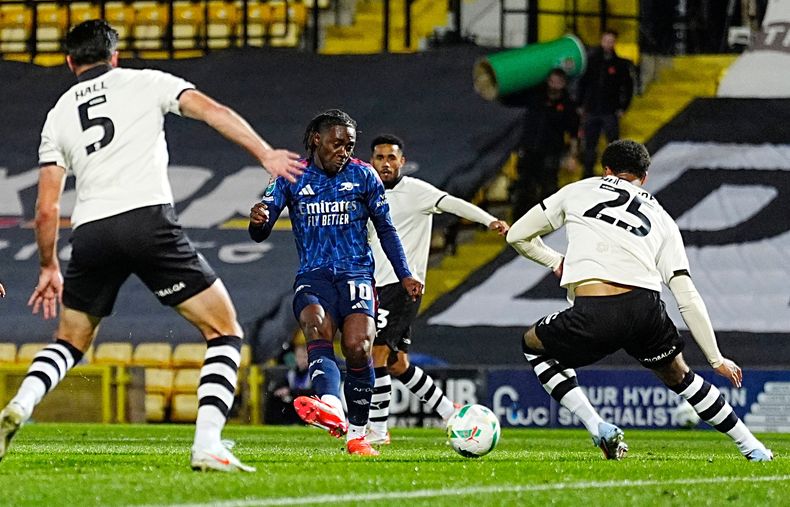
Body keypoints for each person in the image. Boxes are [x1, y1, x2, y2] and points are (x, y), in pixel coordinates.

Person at [0, 20, 304, 473]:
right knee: (225, 331)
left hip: (91, 232)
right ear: (114, 55)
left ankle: (21, 405)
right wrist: (264, 153)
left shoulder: (59, 112)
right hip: (147, 220)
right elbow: (212, 110)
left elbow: (46, 209)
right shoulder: (147, 82)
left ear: (70, 62)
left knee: (69, 341)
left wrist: (48, 266)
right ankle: (207, 443)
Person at [505, 139, 772, 461]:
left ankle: (597, 426)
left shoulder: (578, 190)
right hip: (647, 310)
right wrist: (716, 359)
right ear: (644, 177)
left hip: (595, 309)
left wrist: (554, 260)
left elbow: (516, 235)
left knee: (533, 345)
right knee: (682, 377)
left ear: (606, 170)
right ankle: (753, 447)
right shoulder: (662, 218)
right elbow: (685, 292)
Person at [248, 110, 423, 456]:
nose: (344, 150)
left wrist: (405, 272)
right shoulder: (290, 175)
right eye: (337, 143)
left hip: (356, 274)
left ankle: (356, 434)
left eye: (350, 145)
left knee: (358, 348)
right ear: (316, 139)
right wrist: (259, 220)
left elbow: (386, 229)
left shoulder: (363, 175)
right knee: (315, 325)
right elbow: (260, 230)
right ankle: (331, 404)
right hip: (314, 276)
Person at [365, 134, 509, 444]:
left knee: (376, 352)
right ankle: (448, 411)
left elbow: (453, 203)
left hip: (402, 286)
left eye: (392, 158)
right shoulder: (366, 193)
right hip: (374, 285)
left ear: (402, 162)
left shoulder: (416, 191)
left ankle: (376, 432)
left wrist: (489, 220)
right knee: (397, 362)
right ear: (372, 161)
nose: (386, 163)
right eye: (380, 158)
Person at [501, 68, 579, 219]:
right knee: (524, 188)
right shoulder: (536, 97)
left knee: (548, 191)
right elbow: (509, 99)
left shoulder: (568, 105)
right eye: (552, 81)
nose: (555, 85)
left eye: (559, 82)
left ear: (564, 84)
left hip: (551, 152)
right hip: (529, 150)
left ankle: (548, 225)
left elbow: (574, 133)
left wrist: (572, 155)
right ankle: (518, 224)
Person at [577, 30, 634, 178]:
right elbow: (582, 84)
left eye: (611, 41)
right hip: (592, 109)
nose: (608, 44)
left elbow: (628, 87)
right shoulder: (591, 62)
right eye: (605, 41)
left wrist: (623, 107)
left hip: (610, 110)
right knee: (590, 144)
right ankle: (587, 174)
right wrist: (580, 103)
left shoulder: (620, 65)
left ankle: (614, 174)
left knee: (613, 144)